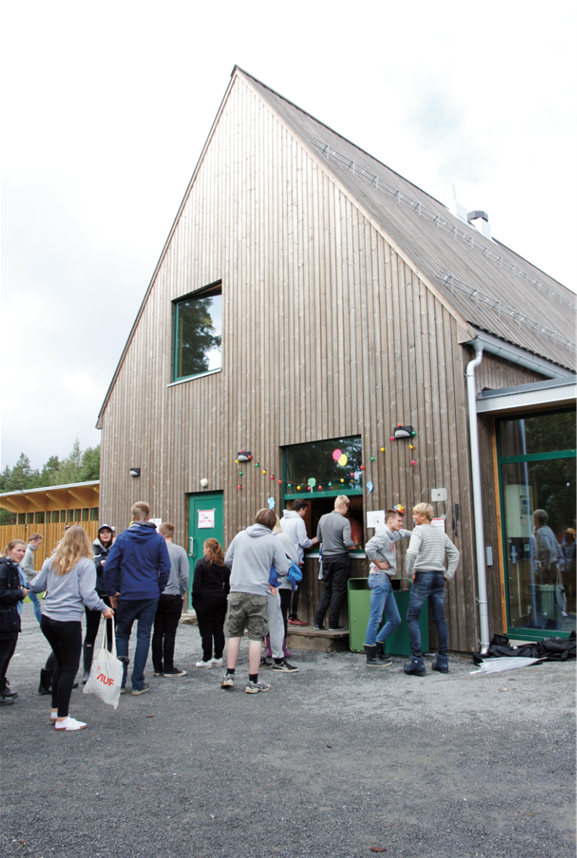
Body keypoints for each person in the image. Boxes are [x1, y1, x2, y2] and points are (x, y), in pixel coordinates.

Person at [29, 526, 114, 730]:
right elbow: (88, 594)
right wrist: (105, 609)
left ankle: (55, 710)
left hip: (48, 618)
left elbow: (35, 586)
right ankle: (63, 718)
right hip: (68, 620)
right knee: (69, 668)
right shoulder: (85, 564)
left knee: (60, 662)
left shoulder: (51, 561)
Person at [104, 502, 171, 696]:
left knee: (122, 634)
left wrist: (111, 592)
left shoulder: (123, 538)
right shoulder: (158, 540)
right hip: (149, 593)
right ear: (148, 517)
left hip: (128, 593)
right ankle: (137, 682)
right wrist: (158, 588)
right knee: (143, 636)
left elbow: (109, 567)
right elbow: (165, 568)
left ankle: (120, 681)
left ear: (133, 517)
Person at [222, 509, 290, 693]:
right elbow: (283, 569)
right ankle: (252, 682)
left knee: (234, 634)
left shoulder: (240, 536)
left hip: (236, 590)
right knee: (255, 637)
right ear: (271, 524)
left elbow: (228, 560)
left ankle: (229, 675)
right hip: (258, 593)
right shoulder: (273, 541)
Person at [403, 503, 460, 676]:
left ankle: (417, 662)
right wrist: (448, 574)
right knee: (439, 620)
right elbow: (455, 553)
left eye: (415, 514)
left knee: (412, 617)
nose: (413, 517)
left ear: (423, 516)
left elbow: (411, 553)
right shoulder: (439, 533)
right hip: (438, 578)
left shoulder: (419, 531)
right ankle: (442, 661)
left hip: (423, 576)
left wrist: (409, 571)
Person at [363, 509, 412, 666]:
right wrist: (378, 563)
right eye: (398, 520)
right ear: (389, 520)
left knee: (395, 619)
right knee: (375, 617)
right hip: (379, 578)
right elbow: (369, 547)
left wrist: (419, 532)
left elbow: (404, 533)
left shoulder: (392, 535)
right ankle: (371, 656)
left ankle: (378, 646)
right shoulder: (383, 534)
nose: (401, 523)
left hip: (386, 580)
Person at [152, 522, 189, 678]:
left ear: (160, 532)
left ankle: (156, 667)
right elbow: (185, 576)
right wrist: (182, 591)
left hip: (156, 594)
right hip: (173, 594)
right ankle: (168, 666)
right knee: (170, 632)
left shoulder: (154, 550)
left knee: (157, 631)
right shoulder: (179, 551)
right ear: (173, 533)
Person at [314, 495, 355, 632]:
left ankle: (318, 622)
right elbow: (347, 542)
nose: (347, 510)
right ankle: (332, 623)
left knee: (326, 589)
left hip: (326, 558)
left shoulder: (322, 518)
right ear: (344, 506)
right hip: (340, 558)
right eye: (347, 507)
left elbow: (319, 538)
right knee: (338, 590)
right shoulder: (344, 522)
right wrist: (355, 544)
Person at [82, 524, 115, 683]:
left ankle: (108, 668)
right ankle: (87, 671)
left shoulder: (116, 549)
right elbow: (86, 569)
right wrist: (99, 565)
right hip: (94, 597)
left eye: (108, 532)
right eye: (102, 532)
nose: (105, 535)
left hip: (110, 597)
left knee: (110, 634)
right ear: (98, 535)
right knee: (91, 632)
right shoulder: (92, 551)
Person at [192, 538, 230, 669]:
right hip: (219, 598)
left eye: (204, 547)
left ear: (208, 549)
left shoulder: (201, 564)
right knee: (218, 628)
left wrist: (194, 600)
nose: (203, 550)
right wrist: (223, 594)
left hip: (204, 598)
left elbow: (196, 585)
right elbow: (228, 586)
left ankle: (206, 659)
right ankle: (218, 657)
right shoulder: (223, 565)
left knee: (206, 629)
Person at [268, 518, 299, 673]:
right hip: (282, 582)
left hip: (266, 583)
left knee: (268, 616)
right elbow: (294, 558)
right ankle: (281, 649)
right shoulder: (283, 538)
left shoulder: (264, 539)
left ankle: (268, 648)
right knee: (281, 616)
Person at [280, 500, 318, 625]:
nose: (306, 513)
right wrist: (314, 540)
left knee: (284, 589)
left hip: (282, 558)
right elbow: (303, 541)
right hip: (295, 560)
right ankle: (292, 616)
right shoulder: (299, 521)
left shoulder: (283, 520)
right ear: (301, 509)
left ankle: (283, 616)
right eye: (306, 510)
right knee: (294, 589)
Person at [0, 540, 28, 704]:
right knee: (2, 656)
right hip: (4, 619)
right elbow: (1, 592)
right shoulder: (4, 567)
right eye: (18, 550)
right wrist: (19, 593)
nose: (22, 554)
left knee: (7, 655)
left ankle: (2, 687)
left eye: (24, 551)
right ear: (9, 550)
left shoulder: (14, 568)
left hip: (11, 618)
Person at [534, 509, 567, 618]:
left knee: (546, 589)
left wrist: (545, 565)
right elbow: (556, 547)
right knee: (555, 588)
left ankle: (548, 612)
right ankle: (558, 610)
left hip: (548, 565)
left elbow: (547, 549)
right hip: (554, 563)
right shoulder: (548, 529)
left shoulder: (541, 532)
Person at [21, 533, 43, 625]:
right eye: (38, 543)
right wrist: (36, 573)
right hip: (27, 581)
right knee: (36, 602)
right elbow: (24, 567)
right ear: (33, 541)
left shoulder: (27, 550)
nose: (39, 546)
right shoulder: (28, 552)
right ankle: (41, 622)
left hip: (26, 580)